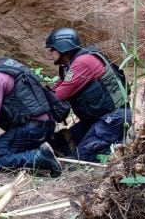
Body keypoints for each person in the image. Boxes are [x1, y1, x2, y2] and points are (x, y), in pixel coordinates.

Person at [45, 27, 132, 162]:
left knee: (84, 156)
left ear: (62, 47)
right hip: (98, 118)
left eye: (52, 49)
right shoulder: (70, 64)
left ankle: (120, 147)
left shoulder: (83, 62)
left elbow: (59, 95)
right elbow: (59, 87)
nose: (50, 53)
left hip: (114, 118)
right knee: (61, 143)